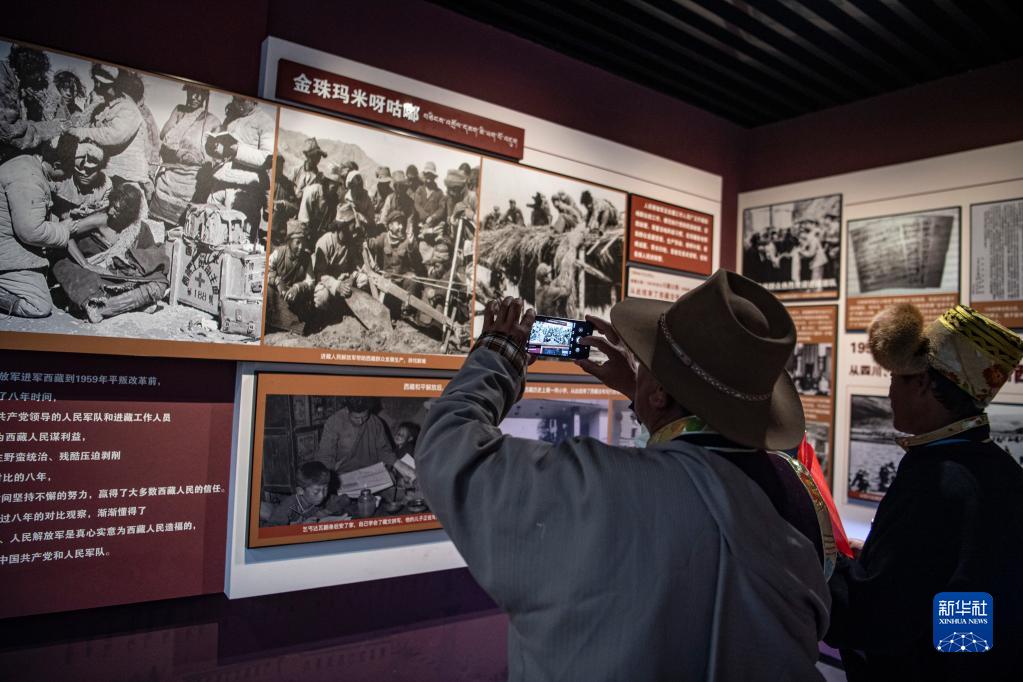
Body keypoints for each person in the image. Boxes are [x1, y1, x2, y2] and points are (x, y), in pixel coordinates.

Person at [415, 270, 831, 680]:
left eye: (647, 361)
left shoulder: (592, 487)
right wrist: (648, 394)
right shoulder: (796, 496)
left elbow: (447, 445)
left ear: (661, 393)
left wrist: (499, 353)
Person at [826, 303, 1023, 680]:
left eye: (895, 378)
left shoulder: (936, 483)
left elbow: (880, 618)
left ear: (923, 384)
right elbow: (964, 596)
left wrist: (820, 562)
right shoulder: (998, 468)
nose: (889, 392)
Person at [0, 135, 98, 317]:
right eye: (69, 171)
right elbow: (31, 232)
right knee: (38, 305)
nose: (68, 176)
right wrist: (64, 229)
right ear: (57, 165)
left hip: (8, 242)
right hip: (5, 251)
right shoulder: (28, 178)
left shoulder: (30, 164)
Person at [51, 184, 168, 323]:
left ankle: (103, 308)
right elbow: (65, 233)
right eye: (112, 205)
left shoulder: (139, 229)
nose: (111, 211)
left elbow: (150, 256)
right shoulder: (101, 219)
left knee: (159, 283)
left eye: (117, 210)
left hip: (119, 275)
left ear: (129, 213)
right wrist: (85, 264)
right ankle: (127, 304)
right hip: (93, 273)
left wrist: (132, 266)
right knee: (65, 267)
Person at [149, 84, 221, 227]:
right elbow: (164, 137)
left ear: (205, 96)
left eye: (200, 93)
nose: (195, 97)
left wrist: (195, 157)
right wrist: (178, 151)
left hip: (190, 185)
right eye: (192, 92)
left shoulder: (213, 121)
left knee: (180, 229)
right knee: (154, 226)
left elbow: (214, 157)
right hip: (167, 180)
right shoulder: (179, 111)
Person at [311, 203, 365, 325]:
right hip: (328, 283)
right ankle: (324, 321)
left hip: (345, 281)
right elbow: (319, 274)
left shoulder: (351, 241)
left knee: (363, 280)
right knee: (322, 297)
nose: (355, 226)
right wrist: (336, 285)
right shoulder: (325, 242)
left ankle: (350, 311)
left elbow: (355, 264)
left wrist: (354, 275)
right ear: (343, 226)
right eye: (352, 224)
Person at [317, 397, 397, 476]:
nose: (360, 421)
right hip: (343, 474)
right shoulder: (334, 422)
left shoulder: (376, 423)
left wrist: (393, 466)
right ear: (347, 410)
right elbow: (325, 456)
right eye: (356, 417)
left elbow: (385, 451)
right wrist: (329, 478)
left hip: (370, 472)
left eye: (365, 417)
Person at [266, 219, 315, 334]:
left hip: (295, 296)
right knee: (268, 290)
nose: (301, 247)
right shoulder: (279, 253)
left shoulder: (306, 258)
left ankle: (293, 325)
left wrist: (297, 288)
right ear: (289, 241)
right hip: (278, 293)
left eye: (303, 242)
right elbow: (265, 270)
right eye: (297, 242)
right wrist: (276, 281)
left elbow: (311, 281)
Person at [51, 141, 112, 220]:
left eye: (90, 170)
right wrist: (69, 212)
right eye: (80, 168)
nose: (84, 174)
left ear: (99, 169)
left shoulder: (106, 185)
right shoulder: (60, 179)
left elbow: (103, 210)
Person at [267, 461, 331, 526]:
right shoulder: (288, 506)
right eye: (316, 492)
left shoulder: (316, 501)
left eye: (325, 489)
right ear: (300, 491)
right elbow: (272, 529)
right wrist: (301, 526)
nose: (322, 496)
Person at [297, 162, 343, 242]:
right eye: (332, 182)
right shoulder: (312, 191)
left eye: (337, 184)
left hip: (323, 235)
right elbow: (303, 219)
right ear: (325, 181)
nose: (335, 187)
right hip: (305, 232)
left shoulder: (334, 198)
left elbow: (333, 220)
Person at [413, 161, 444, 232]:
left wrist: (433, 217)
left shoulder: (439, 192)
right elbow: (417, 204)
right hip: (419, 225)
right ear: (424, 175)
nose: (429, 177)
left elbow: (441, 208)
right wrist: (425, 216)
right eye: (427, 174)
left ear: (434, 177)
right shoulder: (419, 190)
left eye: (431, 175)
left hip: (433, 226)